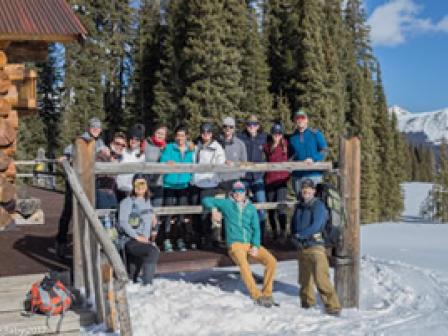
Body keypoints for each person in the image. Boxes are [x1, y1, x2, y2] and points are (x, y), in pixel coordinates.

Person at [202, 181, 277, 308]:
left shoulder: (251, 208)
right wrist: (214, 209)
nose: (238, 194)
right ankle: (256, 295)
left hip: (250, 244)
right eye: (236, 191)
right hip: (235, 244)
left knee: (271, 261)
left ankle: (267, 293)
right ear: (232, 192)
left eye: (241, 191)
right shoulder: (226, 204)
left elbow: (256, 229)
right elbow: (205, 200)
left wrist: (255, 245)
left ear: (245, 193)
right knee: (244, 265)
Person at [55, 117, 105, 258]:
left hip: (91, 182)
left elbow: (104, 156)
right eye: (93, 127)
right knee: (69, 211)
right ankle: (61, 242)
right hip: (75, 182)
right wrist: (64, 158)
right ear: (89, 128)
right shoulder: (80, 140)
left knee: (90, 211)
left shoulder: (100, 143)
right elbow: (67, 153)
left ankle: (87, 243)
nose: (96, 129)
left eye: (98, 127)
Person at [291, 179, 341, 316]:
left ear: (313, 191)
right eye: (303, 189)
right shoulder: (300, 206)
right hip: (302, 247)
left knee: (321, 278)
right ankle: (307, 305)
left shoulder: (319, 206)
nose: (306, 191)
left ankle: (333, 307)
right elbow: (294, 223)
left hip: (316, 246)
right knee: (304, 280)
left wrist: (300, 235)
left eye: (309, 189)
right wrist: (294, 236)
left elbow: (316, 226)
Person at [160, 125, 195, 252]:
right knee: (168, 213)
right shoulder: (169, 147)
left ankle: (180, 238)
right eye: (178, 135)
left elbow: (194, 164)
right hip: (169, 183)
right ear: (175, 136)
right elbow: (163, 160)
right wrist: (167, 163)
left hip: (184, 184)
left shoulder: (190, 149)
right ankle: (167, 239)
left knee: (181, 213)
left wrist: (191, 177)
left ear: (186, 137)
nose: (180, 138)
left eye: (183, 135)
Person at [119, 174, 160, 285]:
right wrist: (137, 237)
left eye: (142, 183)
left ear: (146, 186)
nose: (140, 186)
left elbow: (151, 220)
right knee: (153, 251)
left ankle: (136, 277)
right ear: (133, 185)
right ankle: (148, 284)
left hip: (143, 240)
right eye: (137, 183)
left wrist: (154, 226)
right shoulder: (127, 202)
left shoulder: (148, 202)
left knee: (133, 276)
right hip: (130, 240)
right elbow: (123, 222)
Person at [190, 122, 226, 248]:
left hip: (209, 183)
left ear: (212, 134)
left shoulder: (217, 147)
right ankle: (197, 237)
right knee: (195, 211)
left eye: (208, 132)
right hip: (196, 182)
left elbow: (220, 164)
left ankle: (208, 238)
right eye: (203, 132)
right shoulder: (196, 145)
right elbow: (191, 160)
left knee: (206, 211)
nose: (206, 135)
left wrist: (215, 177)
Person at [238, 114, 268, 242]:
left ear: (258, 126)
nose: (252, 127)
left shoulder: (264, 138)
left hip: (258, 176)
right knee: (241, 206)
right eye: (249, 124)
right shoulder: (240, 137)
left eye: (254, 124)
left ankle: (260, 234)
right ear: (246, 126)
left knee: (261, 205)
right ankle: (242, 234)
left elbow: (279, 141)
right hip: (244, 176)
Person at [288, 109, 328, 197]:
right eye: (298, 118)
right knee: (300, 202)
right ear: (295, 120)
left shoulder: (315, 134)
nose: (300, 120)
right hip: (298, 176)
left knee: (315, 202)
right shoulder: (292, 138)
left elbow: (324, 150)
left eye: (302, 118)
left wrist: (313, 159)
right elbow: (290, 155)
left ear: (306, 120)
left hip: (314, 174)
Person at [263, 122, 290, 243]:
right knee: (271, 209)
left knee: (281, 207)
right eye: (275, 133)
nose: (277, 136)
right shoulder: (267, 146)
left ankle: (283, 231)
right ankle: (274, 231)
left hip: (282, 180)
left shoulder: (286, 145)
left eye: (279, 133)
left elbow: (296, 153)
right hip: (270, 180)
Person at [143, 124, 168, 246]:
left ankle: (153, 240)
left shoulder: (165, 147)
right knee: (145, 211)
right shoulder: (146, 144)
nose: (160, 136)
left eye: (162, 134)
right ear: (154, 133)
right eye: (158, 133)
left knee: (155, 213)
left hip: (159, 183)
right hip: (146, 184)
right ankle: (144, 238)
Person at [116, 125, 146, 202]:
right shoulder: (123, 150)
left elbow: (141, 174)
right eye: (132, 138)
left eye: (137, 139)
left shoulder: (141, 155)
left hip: (132, 191)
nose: (133, 141)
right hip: (119, 188)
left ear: (140, 141)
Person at [218, 116, 247, 193]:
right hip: (220, 181)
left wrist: (240, 176)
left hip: (235, 181)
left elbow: (244, 162)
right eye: (225, 126)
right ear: (222, 128)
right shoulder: (217, 143)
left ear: (234, 129)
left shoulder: (240, 144)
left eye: (230, 127)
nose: (228, 129)